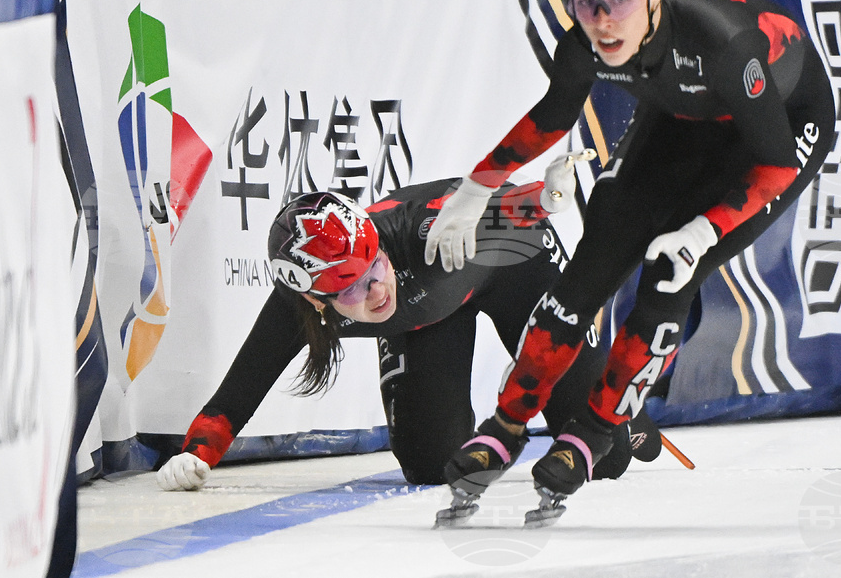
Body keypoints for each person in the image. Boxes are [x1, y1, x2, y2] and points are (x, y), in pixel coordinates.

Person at [426, 0, 836, 509]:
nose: (601, 21)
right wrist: (476, 187)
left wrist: (704, 230)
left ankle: (592, 433)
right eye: (583, 1)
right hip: (681, 117)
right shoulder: (583, 44)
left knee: (670, 272)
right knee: (586, 272)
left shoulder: (723, 43)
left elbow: (773, 160)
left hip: (779, 131)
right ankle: (505, 427)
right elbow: (551, 117)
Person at [156, 155, 658, 491]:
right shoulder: (295, 308)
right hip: (429, 317)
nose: (377, 289)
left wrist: (545, 198)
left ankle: (620, 404)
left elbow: (501, 207)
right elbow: (238, 391)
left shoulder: (418, 231)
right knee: (431, 467)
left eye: (374, 264)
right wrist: (197, 456)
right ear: (314, 301)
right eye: (350, 287)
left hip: (512, 262)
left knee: (606, 458)